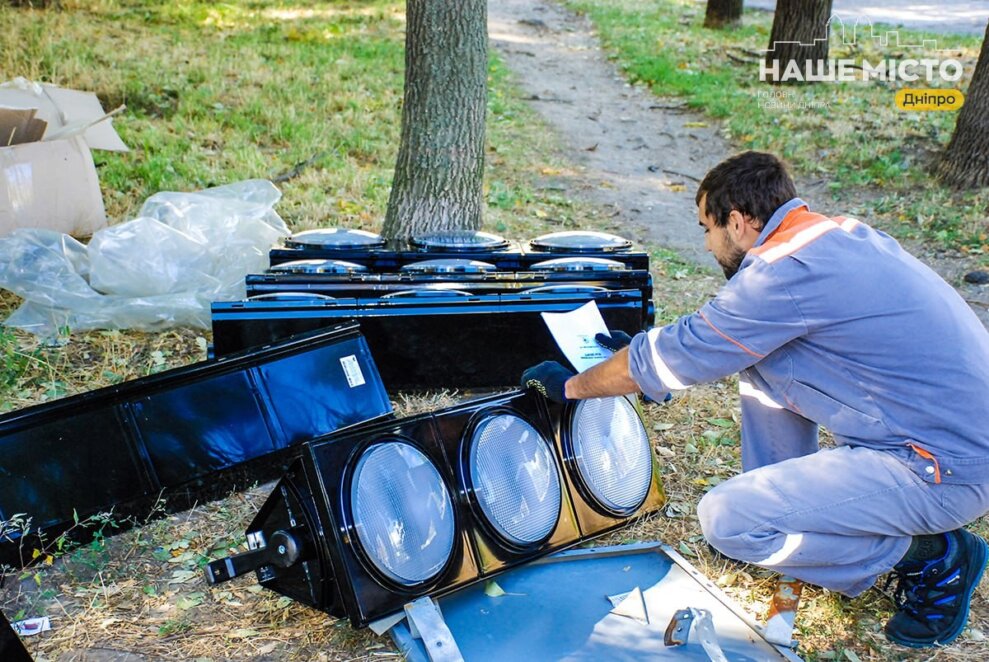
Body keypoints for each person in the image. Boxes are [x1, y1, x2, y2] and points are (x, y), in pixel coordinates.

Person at [521, 151, 989, 648]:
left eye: (707, 228)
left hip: (941, 469)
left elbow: (685, 353)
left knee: (725, 521)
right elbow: (711, 340)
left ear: (738, 223)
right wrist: (641, 356)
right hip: (944, 439)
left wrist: (573, 386)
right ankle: (779, 503)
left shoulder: (784, 273)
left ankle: (934, 556)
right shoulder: (834, 236)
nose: (706, 243)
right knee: (763, 361)